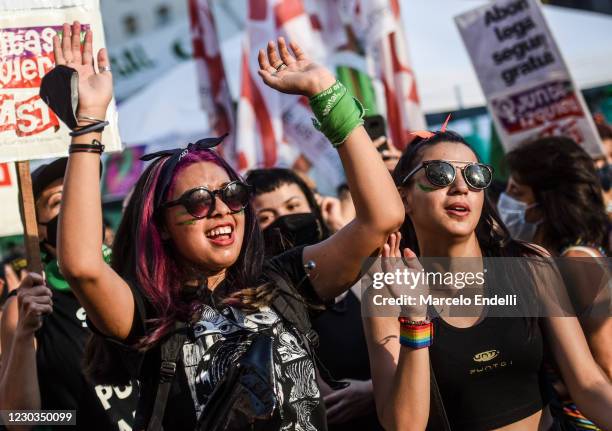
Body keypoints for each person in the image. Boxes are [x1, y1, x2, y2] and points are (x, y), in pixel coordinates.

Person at [54, 22, 403, 430]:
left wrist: (325, 92)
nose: (221, 209)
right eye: (199, 201)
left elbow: (382, 219)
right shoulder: (150, 310)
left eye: (233, 194)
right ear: (162, 224)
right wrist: (87, 126)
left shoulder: (284, 283)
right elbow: (81, 266)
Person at [362, 130, 612, 430]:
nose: (460, 187)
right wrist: (415, 317)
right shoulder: (386, 288)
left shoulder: (530, 265)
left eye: (474, 175)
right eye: (439, 174)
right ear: (405, 197)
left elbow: (588, 384)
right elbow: (403, 425)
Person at [0, 158, 138, 430]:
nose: (75, 207)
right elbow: (14, 419)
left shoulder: (137, 279)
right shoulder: (25, 305)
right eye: (57, 202)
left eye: (80, 194)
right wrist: (71, 418)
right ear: (37, 231)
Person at [246, 167, 383, 431]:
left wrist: (374, 391)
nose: (284, 220)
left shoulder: (366, 273)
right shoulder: (255, 306)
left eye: (293, 206)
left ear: (315, 207)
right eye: (266, 217)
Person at [502, 136, 612, 429]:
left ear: (544, 204)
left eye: (517, 191)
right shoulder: (548, 260)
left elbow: (608, 365)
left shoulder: (578, 261)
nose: (505, 201)